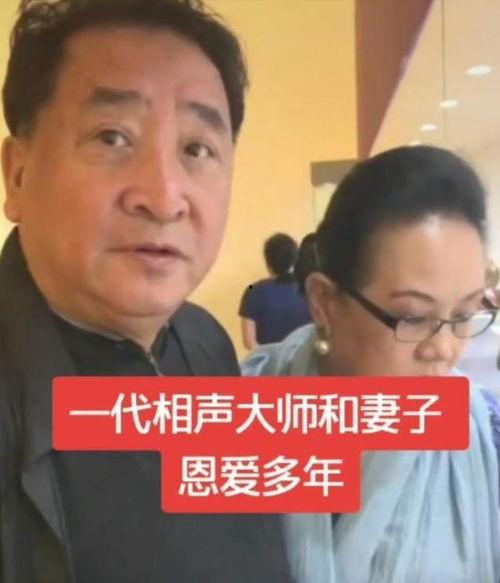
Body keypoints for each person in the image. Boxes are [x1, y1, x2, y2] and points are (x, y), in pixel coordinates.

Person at [0, 1, 293, 582]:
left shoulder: (205, 340)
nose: (163, 198)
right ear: (18, 173)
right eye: (112, 137)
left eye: (197, 149)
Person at [243, 146, 500, 583]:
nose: (444, 349)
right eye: (413, 317)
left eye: (463, 315)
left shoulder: (487, 438)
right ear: (324, 302)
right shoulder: (232, 423)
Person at [239, 233, 311, 350]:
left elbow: (249, 342)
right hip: (306, 358)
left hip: (268, 360)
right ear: (295, 259)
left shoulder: (252, 289)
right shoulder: (310, 288)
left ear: (268, 263)